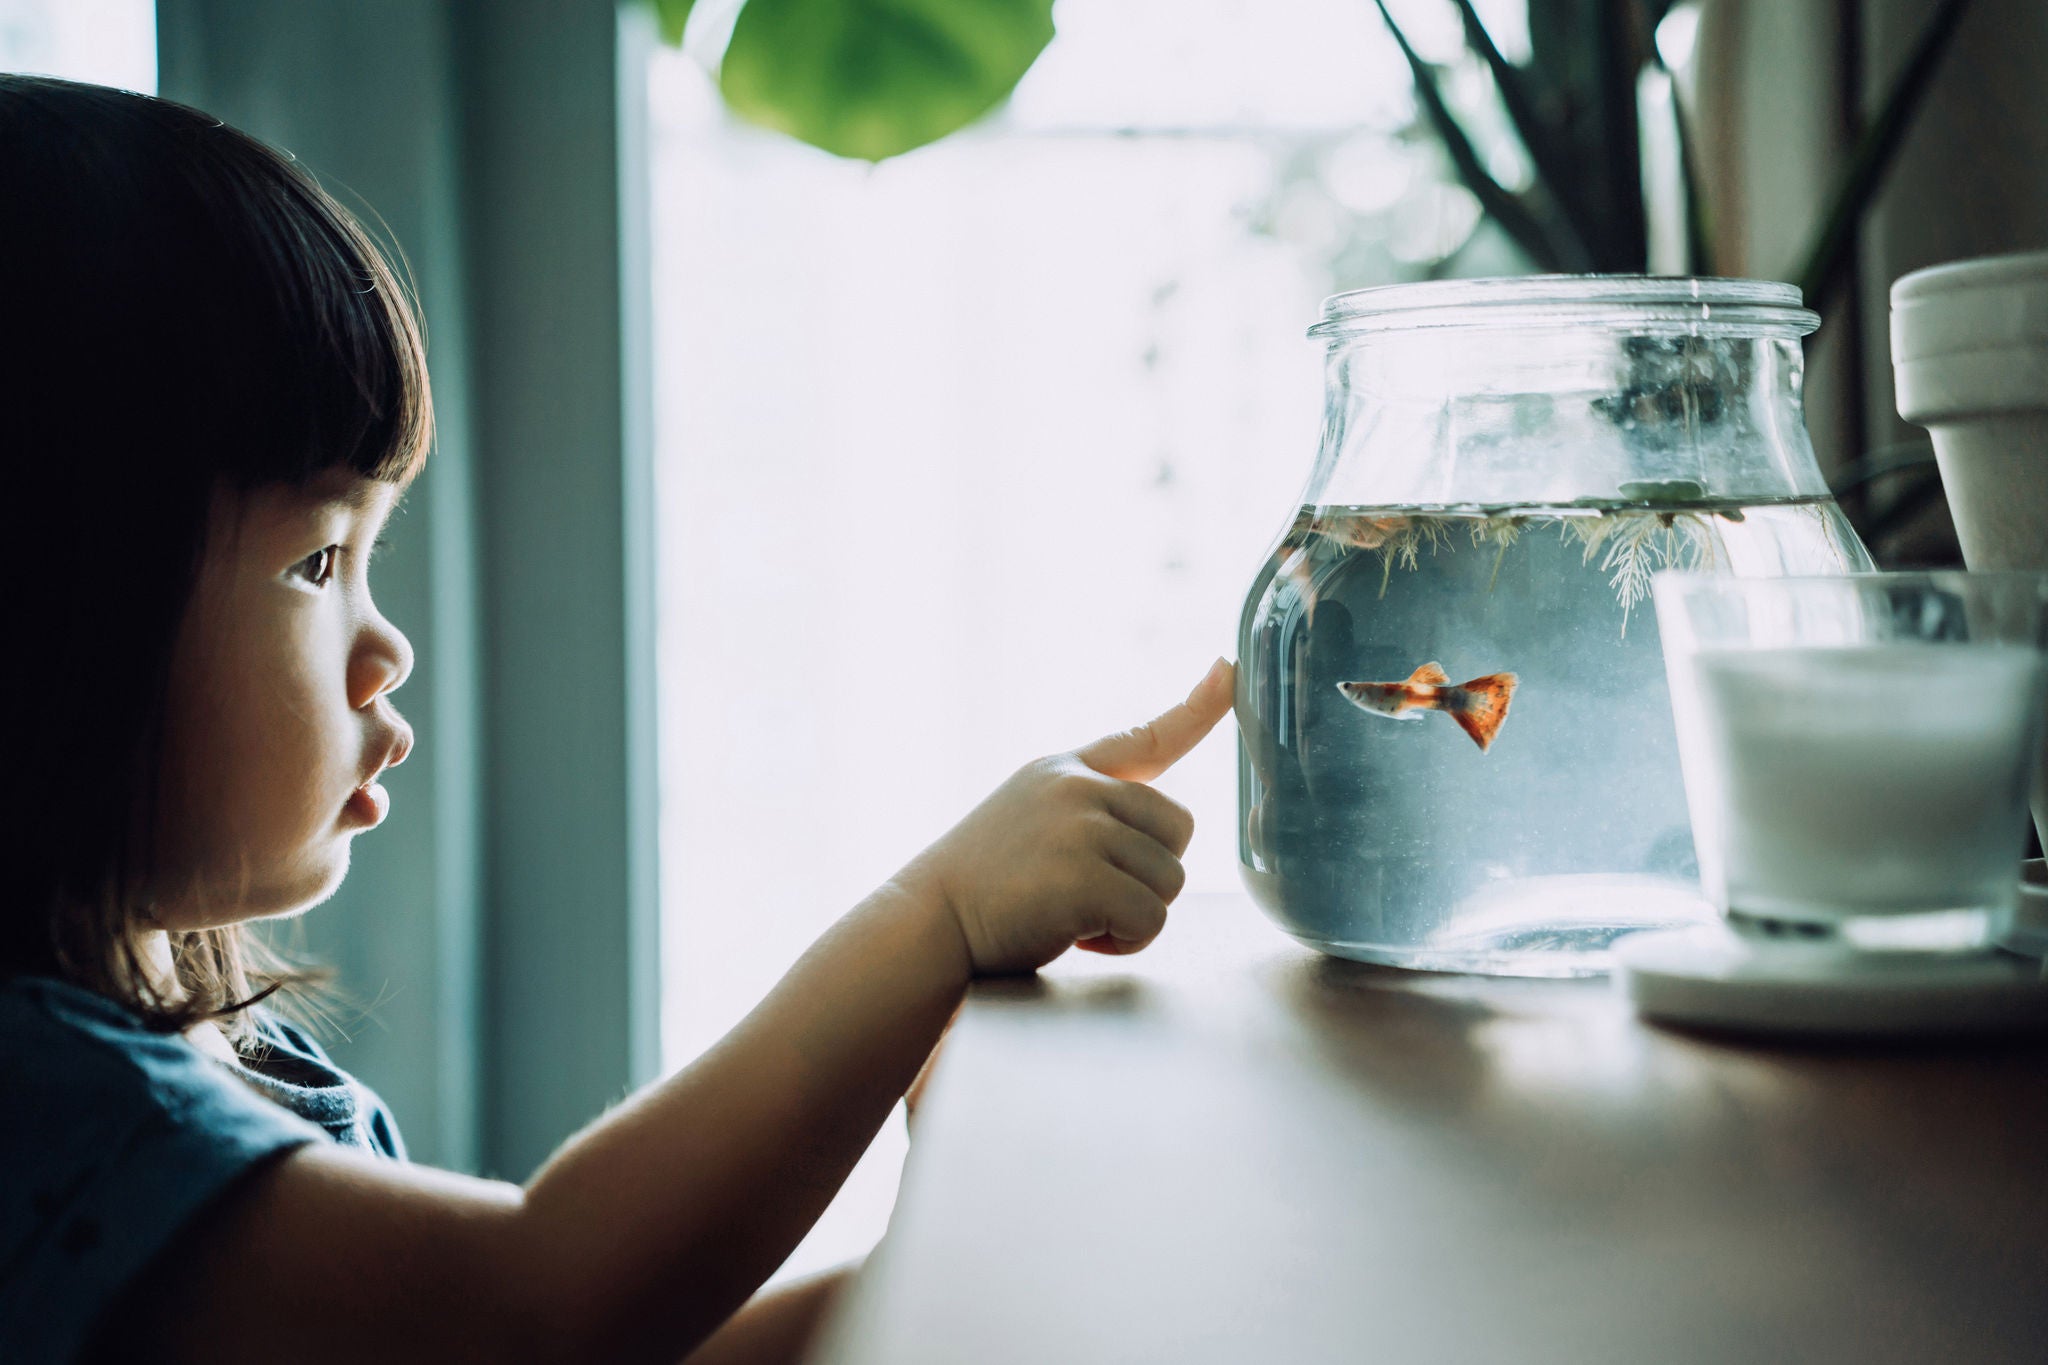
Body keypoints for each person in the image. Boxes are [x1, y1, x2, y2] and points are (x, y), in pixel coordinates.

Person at [0, 74, 1233, 1364]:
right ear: (54, 605)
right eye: (317, 563)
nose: (385, 646)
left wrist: (957, 1234)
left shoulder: (216, 1066)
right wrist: (932, 921)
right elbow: (540, 1307)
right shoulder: (35, 1113)